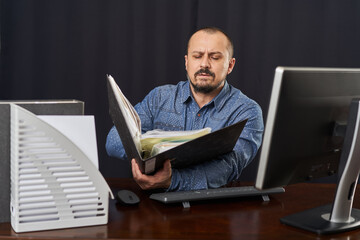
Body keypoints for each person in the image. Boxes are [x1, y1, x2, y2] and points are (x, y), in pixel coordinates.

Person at [106, 27, 264, 191]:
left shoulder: (247, 111)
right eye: (197, 56)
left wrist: (172, 181)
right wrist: (145, 155)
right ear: (187, 62)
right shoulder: (159, 97)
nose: (204, 64)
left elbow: (229, 166)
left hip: (215, 208)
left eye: (215, 57)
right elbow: (113, 141)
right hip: (154, 203)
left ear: (230, 65)